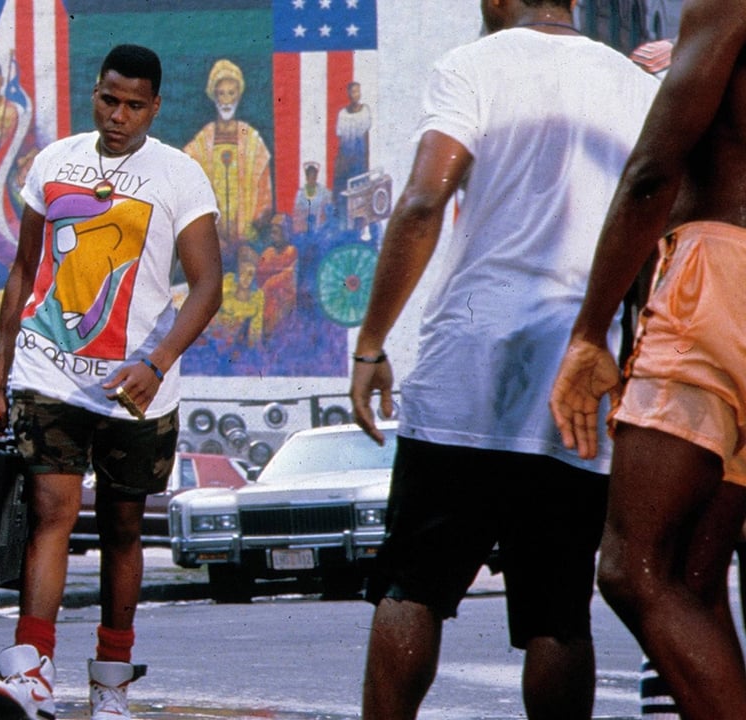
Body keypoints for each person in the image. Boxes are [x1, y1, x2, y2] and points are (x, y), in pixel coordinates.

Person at [347, 2, 659, 718]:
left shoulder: (471, 65)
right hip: (576, 375)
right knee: (558, 611)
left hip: (467, 363)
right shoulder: (634, 85)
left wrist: (371, 343)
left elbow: (422, 202)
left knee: (413, 585)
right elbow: (652, 230)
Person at [0, 43, 221, 720]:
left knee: (122, 528)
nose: (118, 116)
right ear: (95, 93)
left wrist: (157, 362)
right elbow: (23, 272)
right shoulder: (54, 161)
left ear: (155, 107)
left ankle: (111, 684)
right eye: (109, 100)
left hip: (138, 384)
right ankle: (33, 672)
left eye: (134, 105)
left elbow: (208, 287)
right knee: (51, 512)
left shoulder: (180, 175)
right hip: (48, 371)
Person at [548, 1, 746, 717]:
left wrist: (588, 332)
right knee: (692, 575)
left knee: (633, 567)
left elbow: (652, 172)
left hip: (722, 277)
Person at [183, 57, 272, 263]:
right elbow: (188, 190)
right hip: (209, 240)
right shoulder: (201, 143)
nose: (226, 101)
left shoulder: (252, 140)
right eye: (221, 94)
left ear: (238, 96)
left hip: (246, 243)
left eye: (231, 93)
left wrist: (248, 231)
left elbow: (265, 197)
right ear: (214, 96)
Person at [291, 161, 328, 237]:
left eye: (314, 177)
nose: (312, 180)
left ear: (316, 177)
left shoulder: (324, 191)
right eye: (310, 177)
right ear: (306, 177)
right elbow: (297, 211)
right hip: (304, 226)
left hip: (319, 226)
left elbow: (326, 208)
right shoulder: (300, 193)